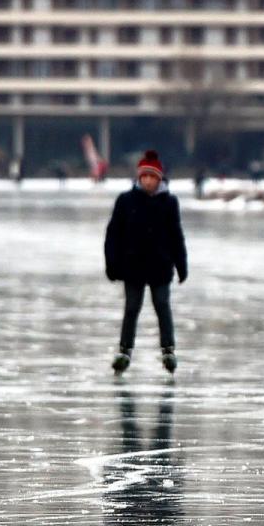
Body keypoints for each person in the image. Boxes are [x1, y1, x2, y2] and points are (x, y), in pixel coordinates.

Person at [105, 150, 188, 374]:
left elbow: (176, 235)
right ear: (139, 178)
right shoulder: (126, 200)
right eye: (145, 177)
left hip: (160, 266)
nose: (149, 181)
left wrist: (181, 265)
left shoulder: (169, 202)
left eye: (153, 177)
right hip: (133, 266)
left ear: (159, 179)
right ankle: (124, 351)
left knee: (162, 306)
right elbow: (113, 234)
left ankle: (168, 350)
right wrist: (111, 264)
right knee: (132, 308)